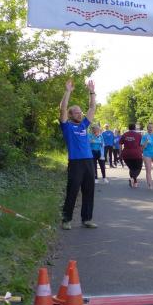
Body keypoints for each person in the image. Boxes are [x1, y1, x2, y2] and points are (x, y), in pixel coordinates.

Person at [58, 78, 97, 230]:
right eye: (76, 112)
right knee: (72, 191)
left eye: (80, 112)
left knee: (89, 191)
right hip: (75, 163)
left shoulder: (84, 125)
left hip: (88, 161)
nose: (80, 114)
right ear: (70, 114)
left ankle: (87, 219)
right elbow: (62, 108)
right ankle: (66, 220)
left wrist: (92, 92)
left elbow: (92, 108)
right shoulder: (66, 126)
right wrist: (67, 91)